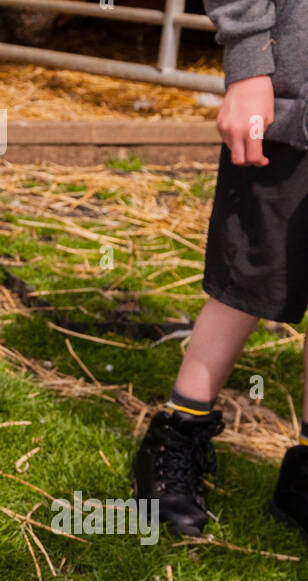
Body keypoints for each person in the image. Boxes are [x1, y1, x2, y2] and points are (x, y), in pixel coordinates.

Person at [133, 0, 307, 539]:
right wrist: (251, 58)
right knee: (248, 273)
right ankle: (178, 431)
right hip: (292, 96)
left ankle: (304, 473)